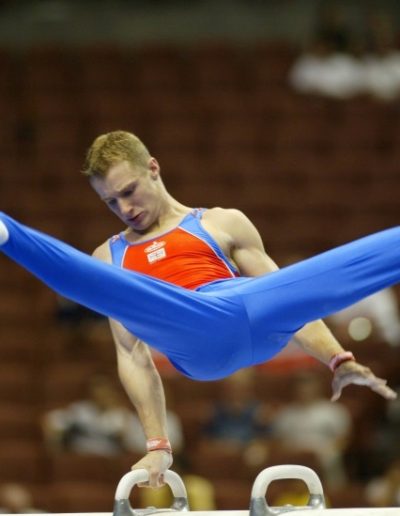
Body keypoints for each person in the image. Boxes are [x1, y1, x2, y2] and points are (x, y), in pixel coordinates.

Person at [0, 130, 398, 488]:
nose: (124, 208)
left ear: (153, 168)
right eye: (110, 201)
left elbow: (293, 299)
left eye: (129, 191)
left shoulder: (221, 222)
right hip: (191, 337)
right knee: (99, 280)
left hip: (250, 312)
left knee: (307, 279)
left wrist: (337, 359)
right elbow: (132, 355)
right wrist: (158, 444)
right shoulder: (111, 256)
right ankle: (9, 235)